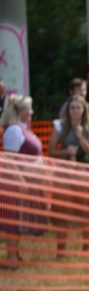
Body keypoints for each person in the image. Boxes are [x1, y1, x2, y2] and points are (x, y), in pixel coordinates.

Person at [49, 96, 89, 258]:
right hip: (65, 170)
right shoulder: (59, 126)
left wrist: (80, 137)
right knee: (62, 209)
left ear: (84, 109)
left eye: (78, 108)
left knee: (86, 208)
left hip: (86, 171)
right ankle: (61, 250)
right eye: (72, 108)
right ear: (68, 110)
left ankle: (86, 247)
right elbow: (51, 151)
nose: (75, 111)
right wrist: (66, 152)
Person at [0, 95, 44, 269]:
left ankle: (15, 255)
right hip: (15, 183)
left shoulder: (23, 129)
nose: (32, 111)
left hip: (27, 181)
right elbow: (9, 160)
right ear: (21, 111)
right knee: (12, 219)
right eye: (29, 108)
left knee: (18, 219)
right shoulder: (13, 131)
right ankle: (11, 257)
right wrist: (21, 181)